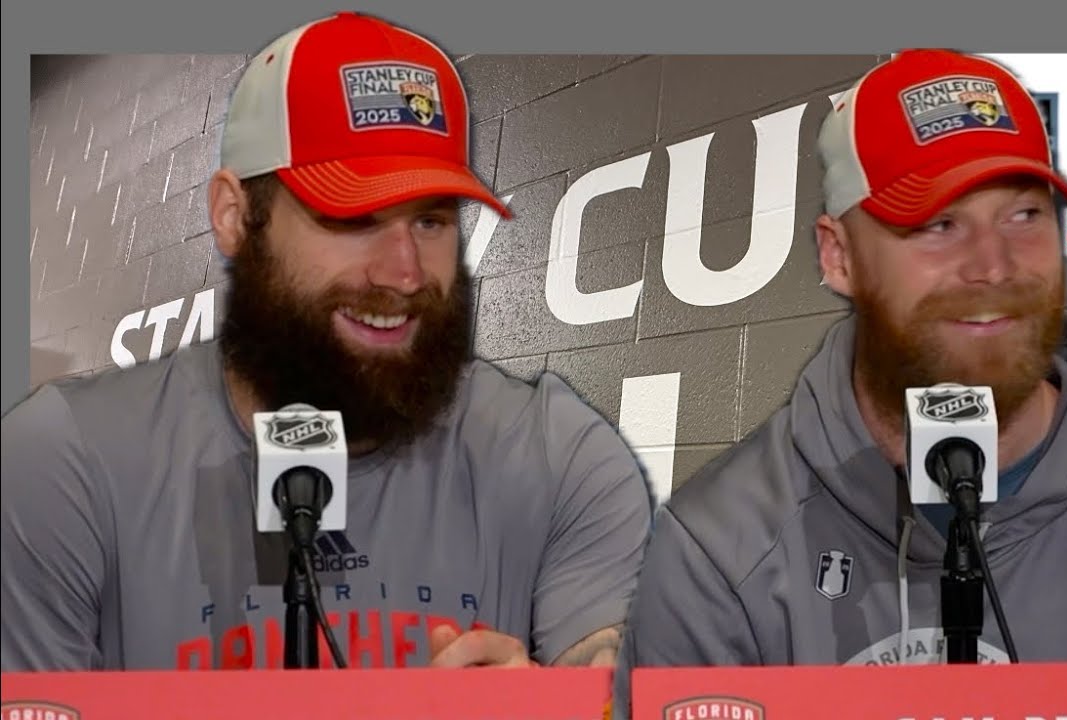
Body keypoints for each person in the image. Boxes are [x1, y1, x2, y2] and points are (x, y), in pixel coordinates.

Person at [611, 48, 1067, 717]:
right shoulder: (717, 553)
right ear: (839, 255)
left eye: (1024, 216)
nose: (993, 265)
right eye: (936, 224)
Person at [2, 10, 653, 672]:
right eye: (351, 218)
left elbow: (609, 672)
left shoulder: (558, 456)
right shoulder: (64, 465)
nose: (403, 272)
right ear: (234, 216)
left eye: (430, 220)